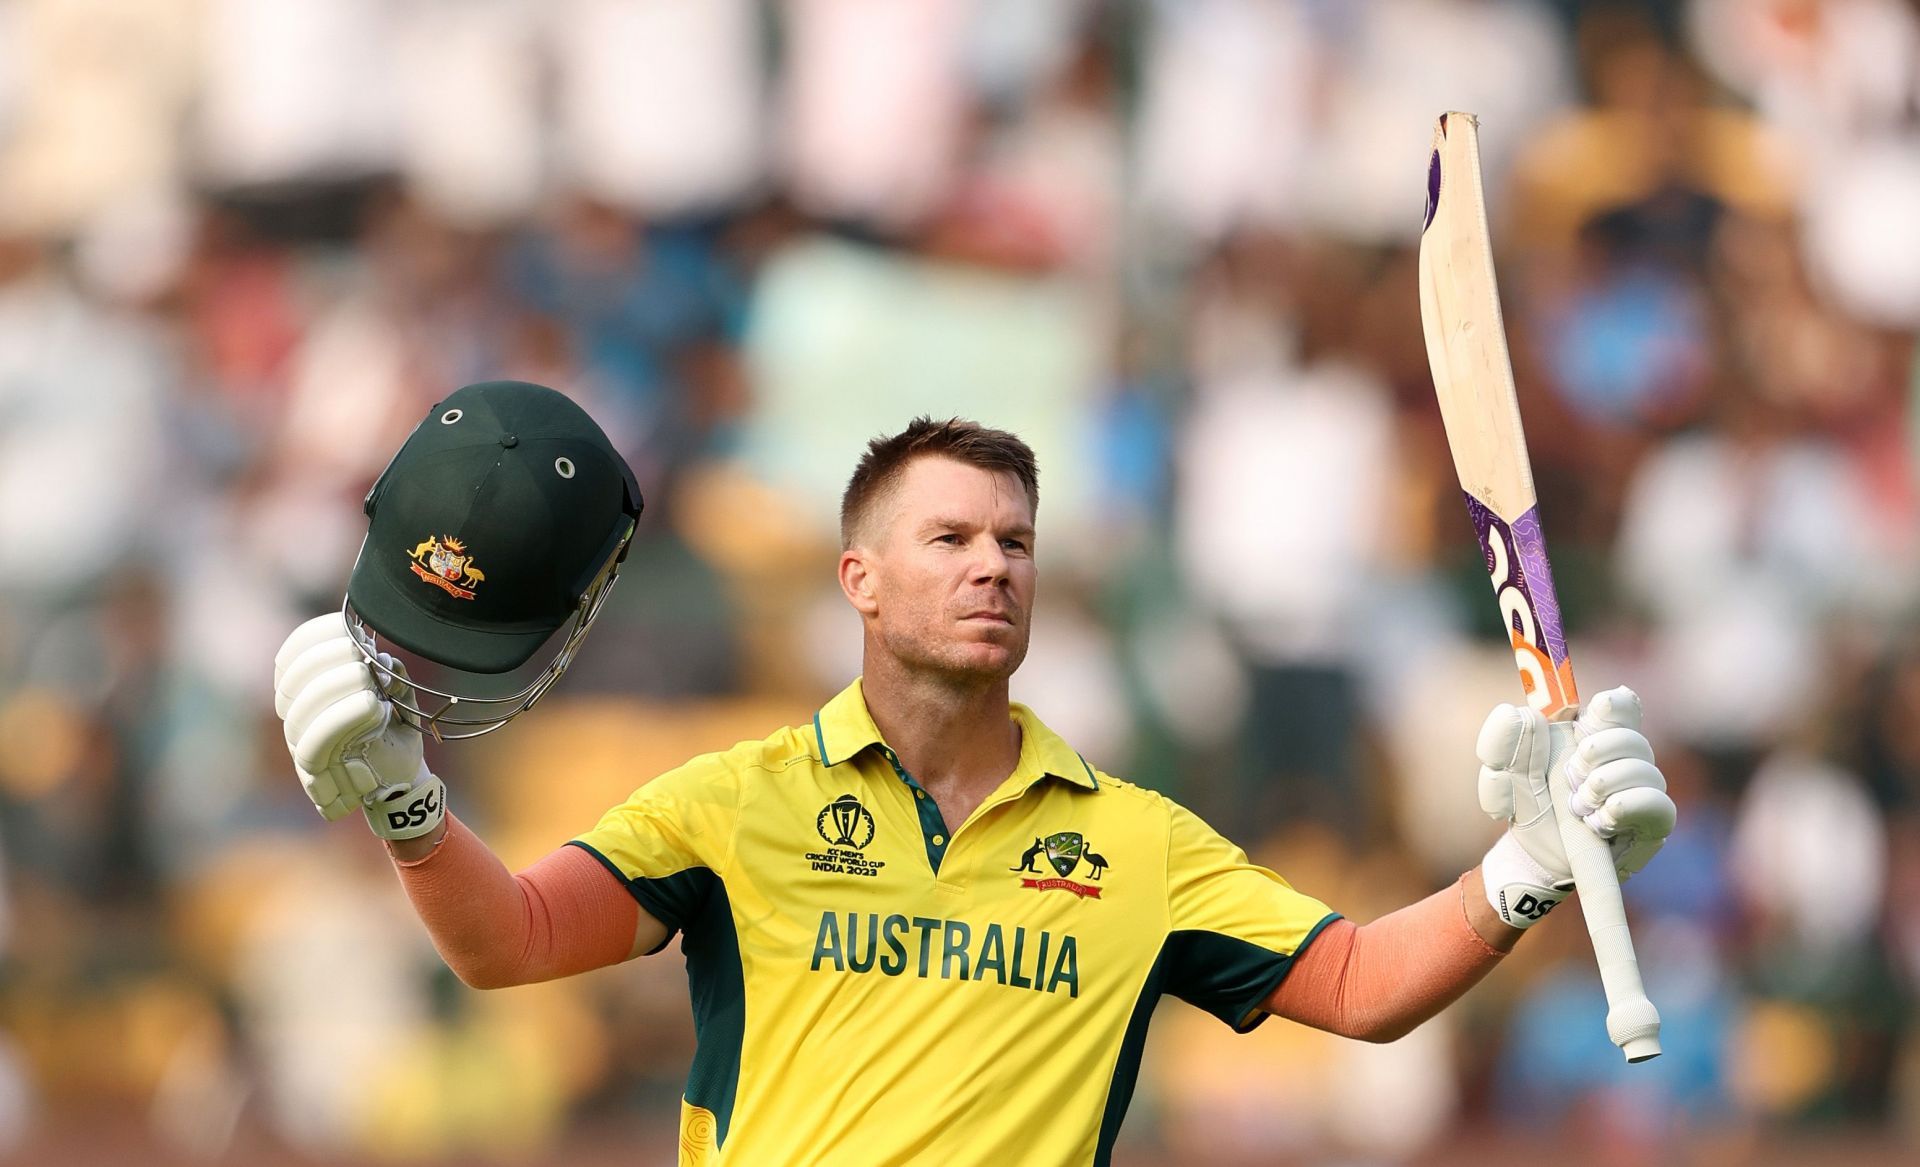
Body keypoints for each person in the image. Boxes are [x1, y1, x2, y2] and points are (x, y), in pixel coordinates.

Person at [273, 388, 1675, 1166]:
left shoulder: (1139, 844)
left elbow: (1360, 989)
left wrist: (1527, 870)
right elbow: (508, 943)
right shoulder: (729, 803)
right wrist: (405, 797)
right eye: (948, 538)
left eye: (1014, 540)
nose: (992, 564)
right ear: (859, 582)